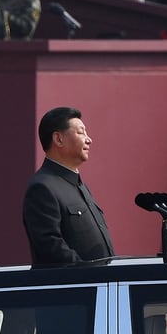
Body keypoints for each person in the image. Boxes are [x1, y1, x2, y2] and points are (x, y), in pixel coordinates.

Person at [22, 107, 114, 266]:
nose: (89, 139)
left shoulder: (80, 187)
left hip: (99, 285)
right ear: (58, 139)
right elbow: (51, 247)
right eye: (80, 132)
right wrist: (88, 274)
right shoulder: (43, 188)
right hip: (75, 287)